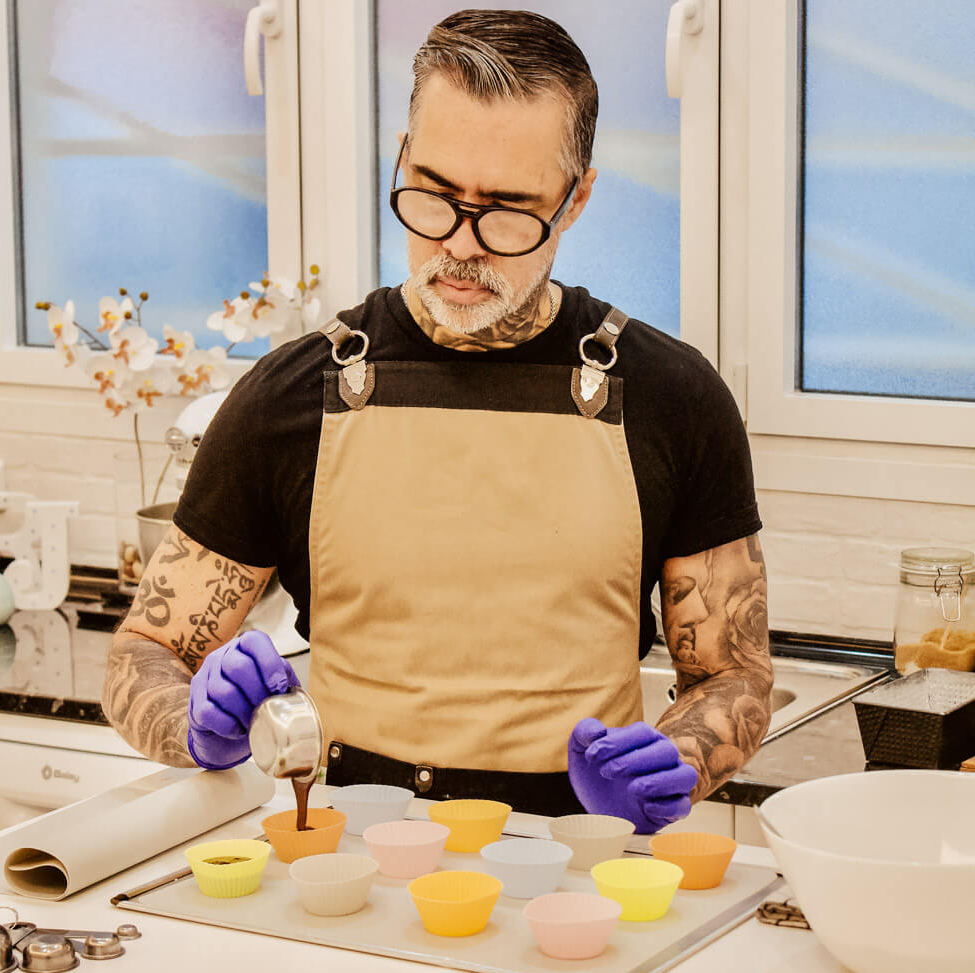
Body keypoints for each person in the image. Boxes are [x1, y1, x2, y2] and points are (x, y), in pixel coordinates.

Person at [102, 9, 773, 833]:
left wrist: (682, 759)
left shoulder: (673, 397)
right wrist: (192, 725)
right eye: (434, 194)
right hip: (352, 861)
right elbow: (145, 655)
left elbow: (733, 679)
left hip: (579, 866)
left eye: (507, 210)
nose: (461, 244)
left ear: (577, 198)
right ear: (400, 158)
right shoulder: (292, 395)